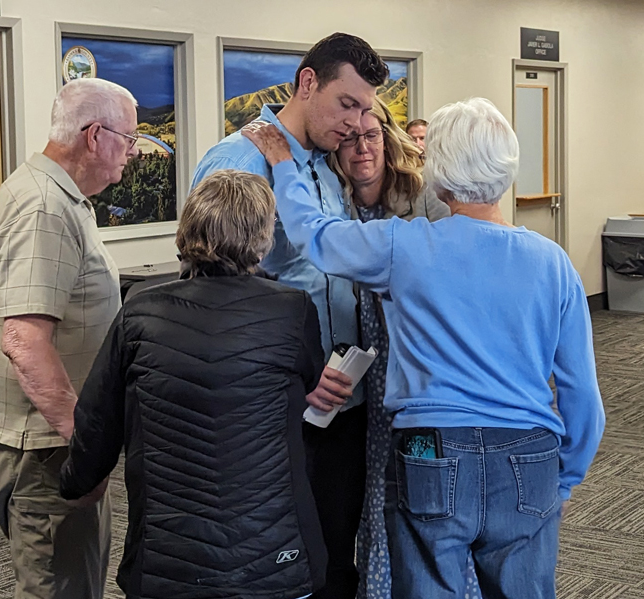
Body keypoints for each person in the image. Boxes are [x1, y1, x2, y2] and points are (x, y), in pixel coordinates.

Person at [243, 96, 605, 599]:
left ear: (437, 175)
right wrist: (563, 480)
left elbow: (315, 237)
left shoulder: (405, 246)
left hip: (429, 450)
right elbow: (582, 396)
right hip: (529, 455)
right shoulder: (555, 264)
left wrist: (284, 164)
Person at [59, 170, 328, 599]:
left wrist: (74, 484)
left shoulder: (139, 311)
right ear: (263, 236)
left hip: (167, 561)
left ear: (188, 229)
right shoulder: (292, 310)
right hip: (273, 558)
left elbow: (96, 421)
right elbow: (309, 379)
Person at [191, 32, 389, 599]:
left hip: (344, 397)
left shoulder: (326, 167)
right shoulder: (238, 162)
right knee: (290, 565)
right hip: (284, 408)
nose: (355, 124)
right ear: (307, 84)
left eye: (365, 110)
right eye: (346, 104)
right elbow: (212, 302)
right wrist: (294, 376)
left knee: (337, 554)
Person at [0, 78, 139, 598]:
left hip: (50, 439)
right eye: (128, 139)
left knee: (76, 578)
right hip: (46, 448)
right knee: (60, 586)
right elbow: (24, 341)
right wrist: (86, 447)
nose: (132, 152)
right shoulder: (44, 208)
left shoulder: (61, 196)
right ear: (94, 136)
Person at [327, 97, 475, 599]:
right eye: (349, 139)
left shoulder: (426, 198)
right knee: (377, 491)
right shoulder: (336, 204)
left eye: (371, 136)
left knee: (427, 489)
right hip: (363, 371)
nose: (362, 148)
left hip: (420, 370)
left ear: (387, 140)